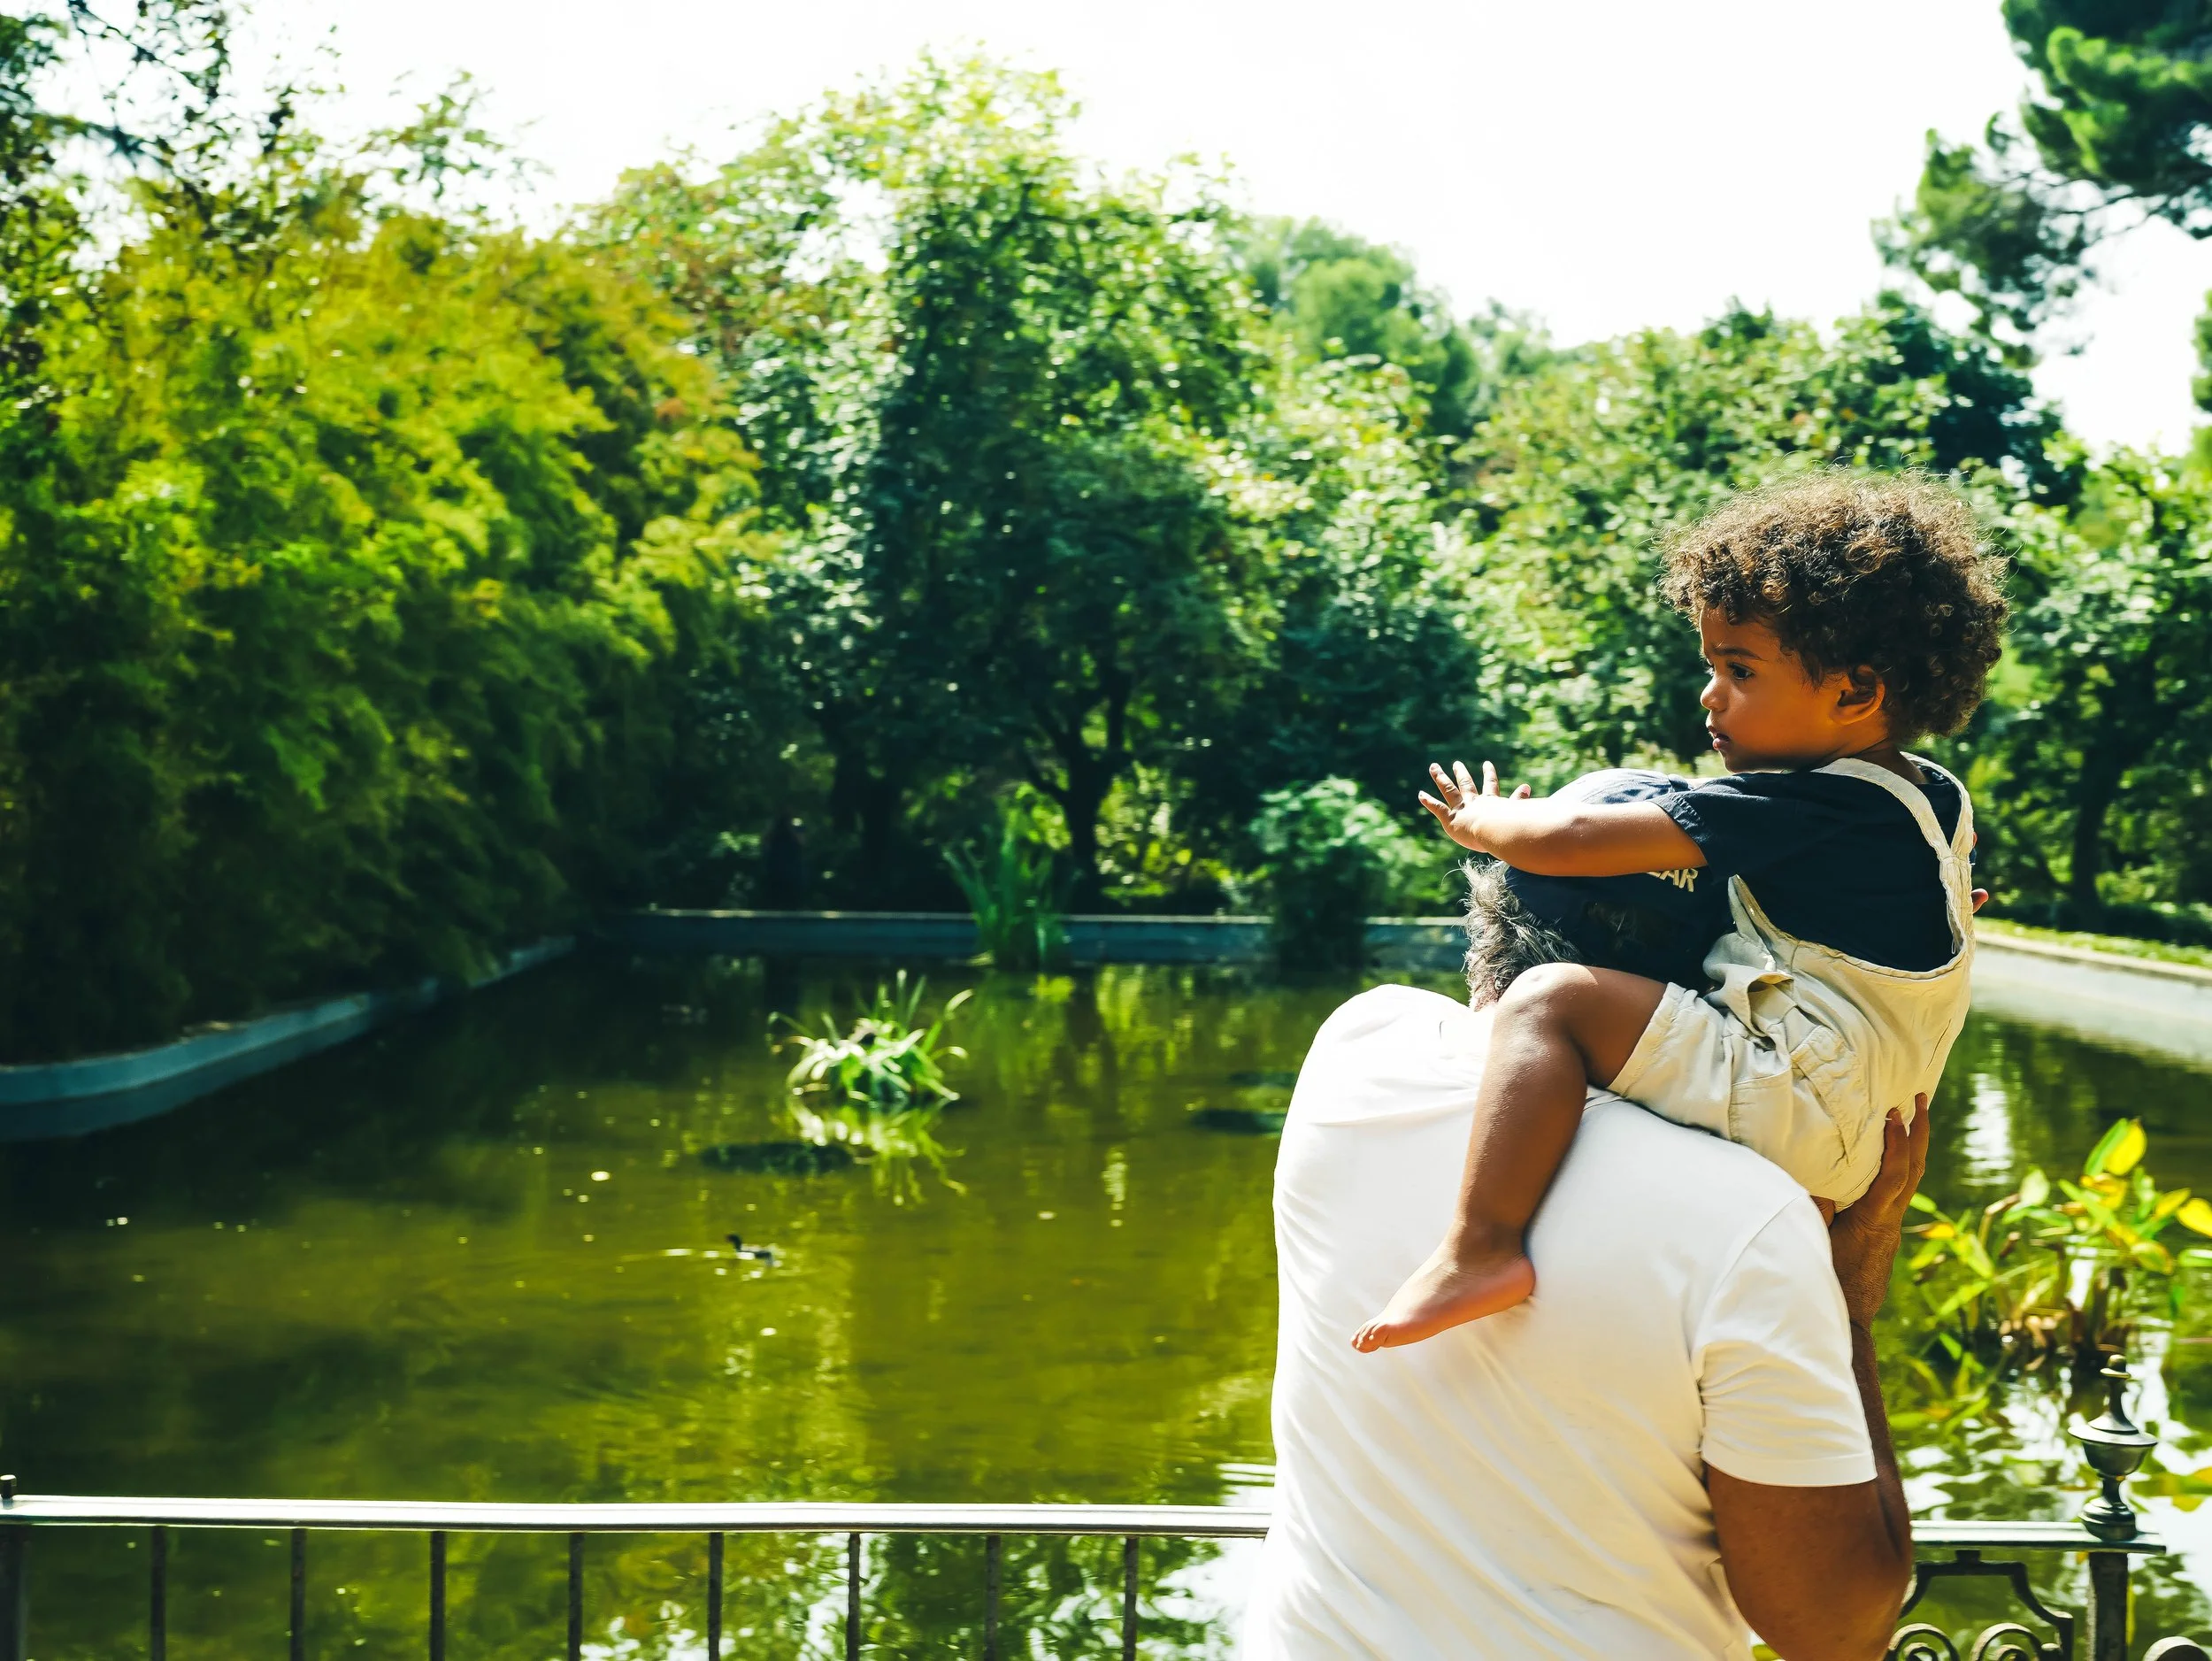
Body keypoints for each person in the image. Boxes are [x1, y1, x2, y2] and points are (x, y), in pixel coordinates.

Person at [1356, 473, 2007, 1350]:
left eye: (1739, 670)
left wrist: (1485, 822)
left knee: (1552, 1001)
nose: (1711, 696)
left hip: (1801, 1095)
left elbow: (1577, 839)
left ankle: (1482, 1244)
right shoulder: (1927, 798)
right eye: (1711, 667)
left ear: (1854, 694)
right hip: (1863, 1127)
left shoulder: (1802, 803)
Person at [1242, 878, 1926, 1659]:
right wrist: (1849, 1303)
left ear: (1491, 928)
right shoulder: (1749, 1220)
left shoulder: (1356, 1054)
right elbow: (1833, 1630)